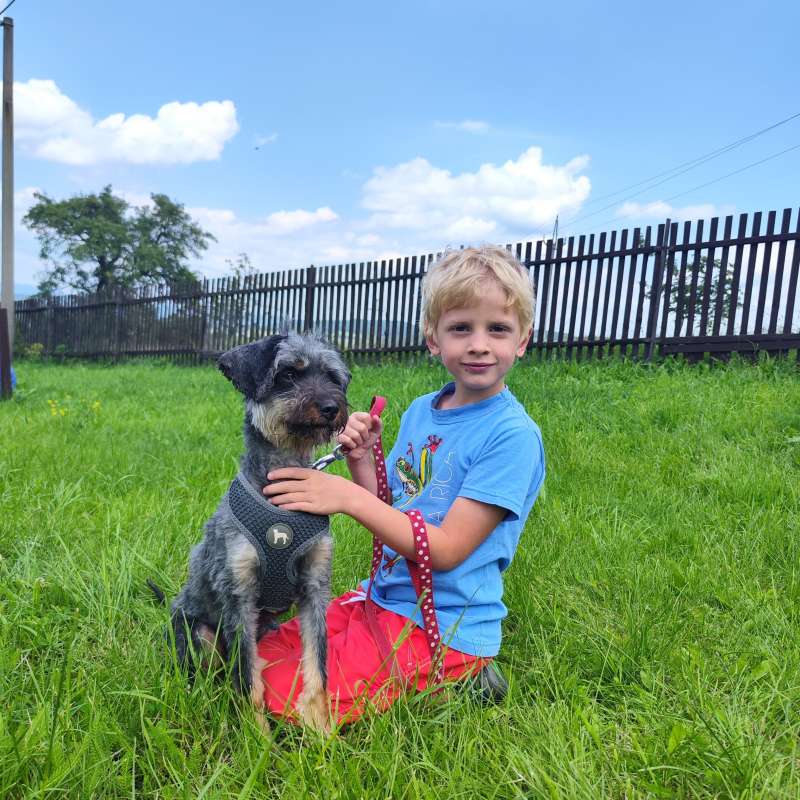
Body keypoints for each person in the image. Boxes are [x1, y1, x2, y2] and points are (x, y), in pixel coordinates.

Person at [259, 245, 546, 725]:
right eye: (461, 328)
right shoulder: (421, 411)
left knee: (286, 696)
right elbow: (389, 507)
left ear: (523, 339)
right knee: (253, 654)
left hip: (441, 625)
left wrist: (346, 498)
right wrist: (360, 461)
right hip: (380, 598)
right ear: (433, 338)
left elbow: (447, 549)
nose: (479, 344)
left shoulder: (511, 436)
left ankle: (466, 672)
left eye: (498, 329)